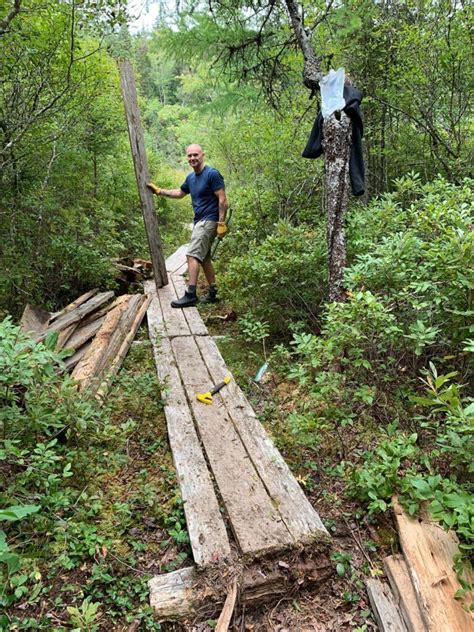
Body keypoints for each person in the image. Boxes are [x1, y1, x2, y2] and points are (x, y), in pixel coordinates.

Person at [147, 144, 229, 308]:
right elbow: (180, 193)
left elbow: (223, 200)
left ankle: (190, 294)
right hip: (200, 221)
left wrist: (221, 222)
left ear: (202, 155)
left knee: (192, 255)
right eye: (189, 156)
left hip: (209, 220)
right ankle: (213, 292)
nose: (192, 158)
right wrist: (159, 191)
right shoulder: (191, 178)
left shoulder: (212, 174)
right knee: (204, 257)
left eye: (195, 155)